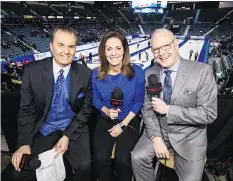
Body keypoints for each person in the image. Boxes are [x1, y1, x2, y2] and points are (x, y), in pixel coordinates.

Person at [131, 29, 218, 181]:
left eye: (165, 46)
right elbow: (147, 110)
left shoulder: (202, 71)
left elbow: (208, 114)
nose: (161, 53)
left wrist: (169, 110)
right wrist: (157, 138)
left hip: (189, 136)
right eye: (156, 50)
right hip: (159, 129)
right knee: (138, 157)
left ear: (176, 45)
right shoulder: (150, 73)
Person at [11, 25, 92, 181]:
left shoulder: (85, 73)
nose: (66, 51)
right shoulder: (32, 71)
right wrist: (24, 143)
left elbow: (86, 109)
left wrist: (67, 135)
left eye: (71, 46)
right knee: (19, 172)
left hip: (72, 127)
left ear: (76, 48)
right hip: (44, 128)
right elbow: (26, 110)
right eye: (60, 45)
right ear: (51, 46)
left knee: (84, 165)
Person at [92, 29, 145, 181]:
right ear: (103, 51)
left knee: (123, 159)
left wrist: (122, 124)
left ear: (124, 50)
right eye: (109, 49)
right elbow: (95, 100)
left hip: (129, 119)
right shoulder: (96, 74)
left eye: (118, 48)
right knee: (101, 158)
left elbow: (138, 102)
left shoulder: (137, 72)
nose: (113, 53)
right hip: (106, 119)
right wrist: (106, 110)